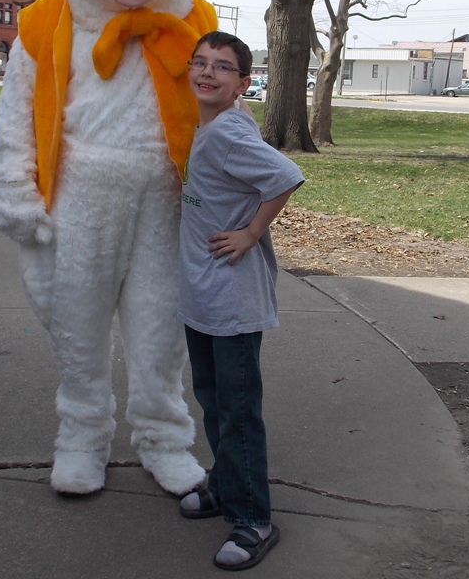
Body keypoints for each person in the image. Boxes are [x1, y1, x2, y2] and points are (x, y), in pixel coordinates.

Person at [178, 31, 305, 571]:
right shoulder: (217, 123)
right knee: (213, 399)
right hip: (203, 293)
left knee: (237, 412)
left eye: (223, 67)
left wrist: (251, 233)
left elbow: (285, 175)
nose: (208, 72)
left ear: (243, 82)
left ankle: (253, 519)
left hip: (230, 297)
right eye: (200, 62)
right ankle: (224, 485)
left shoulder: (227, 131)